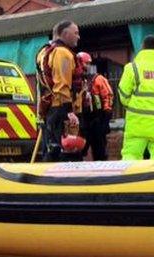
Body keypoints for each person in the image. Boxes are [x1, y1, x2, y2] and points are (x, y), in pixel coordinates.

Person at [35, 20, 80, 161]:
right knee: (65, 153)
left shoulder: (44, 52)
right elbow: (62, 85)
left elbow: (41, 85)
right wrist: (68, 111)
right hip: (60, 109)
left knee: (51, 150)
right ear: (65, 34)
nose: (79, 37)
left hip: (49, 109)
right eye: (76, 33)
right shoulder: (62, 53)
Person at [76, 52, 114, 161]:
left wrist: (106, 114)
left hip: (97, 119)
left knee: (99, 150)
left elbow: (108, 95)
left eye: (88, 63)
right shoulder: (77, 81)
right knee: (79, 150)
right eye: (85, 63)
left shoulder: (98, 79)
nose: (87, 66)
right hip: (83, 120)